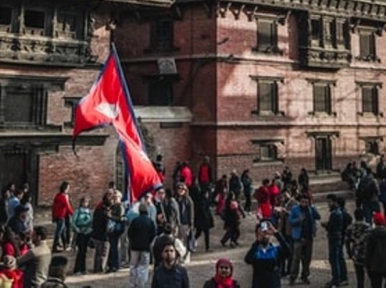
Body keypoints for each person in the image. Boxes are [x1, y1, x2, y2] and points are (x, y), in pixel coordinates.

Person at [244, 221, 290, 288]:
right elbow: (248, 260)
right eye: (261, 233)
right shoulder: (255, 250)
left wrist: (277, 234)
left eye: (266, 232)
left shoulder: (276, 250)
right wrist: (257, 242)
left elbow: (288, 252)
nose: (264, 235)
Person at [288, 194, 321, 286]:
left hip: (309, 237)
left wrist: (313, 208)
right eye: (303, 202)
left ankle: (305, 275)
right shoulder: (295, 209)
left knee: (307, 258)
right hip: (298, 237)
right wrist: (298, 220)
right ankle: (293, 277)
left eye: (306, 202)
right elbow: (290, 221)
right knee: (296, 259)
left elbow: (318, 217)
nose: (304, 204)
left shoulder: (310, 209)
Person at [128, 203, 156, 288]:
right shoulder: (150, 221)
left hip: (134, 247)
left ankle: (133, 283)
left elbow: (130, 233)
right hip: (145, 247)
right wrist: (148, 241)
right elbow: (153, 234)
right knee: (143, 266)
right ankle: (141, 284)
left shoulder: (135, 221)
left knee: (133, 265)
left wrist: (132, 241)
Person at [321, 194, 347, 288]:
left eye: (329, 202)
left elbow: (331, 226)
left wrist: (326, 225)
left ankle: (336, 278)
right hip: (337, 237)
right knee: (338, 257)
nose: (328, 204)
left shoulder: (335, 213)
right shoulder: (338, 212)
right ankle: (341, 277)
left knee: (334, 258)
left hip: (334, 237)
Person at [345, 209, 371, 288]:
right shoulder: (368, 227)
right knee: (372, 275)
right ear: (363, 216)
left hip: (356, 253)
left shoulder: (350, 227)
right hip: (367, 253)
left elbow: (347, 241)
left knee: (360, 276)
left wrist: (349, 252)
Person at [91, 192, 112, 273]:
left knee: (97, 253)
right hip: (104, 235)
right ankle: (101, 268)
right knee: (103, 253)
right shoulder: (106, 212)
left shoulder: (98, 209)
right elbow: (107, 225)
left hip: (96, 234)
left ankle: (96, 268)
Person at [71, 197, 93, 275]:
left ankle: (83, 268)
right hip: (80, 232)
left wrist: (90, 229)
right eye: (84, 202)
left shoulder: (90, 212)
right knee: (80, 251)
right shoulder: (77, 211)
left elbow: (92, 222)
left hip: (87, 233)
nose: (85, 204)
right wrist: (77, 229)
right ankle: (77, 269)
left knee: (85, 252)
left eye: (87, 202)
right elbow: (73, 221)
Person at [365, 212, 386, 288]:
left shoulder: (371, 235)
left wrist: (367, 265)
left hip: (375, 265)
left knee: (376, 285)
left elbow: (369, 251)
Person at [52, 182, 74, 253]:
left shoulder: (57, 196)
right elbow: (68, 207)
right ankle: (55, 245)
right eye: (68, 188)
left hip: (58, 215)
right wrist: (73, 214)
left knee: (62, 231)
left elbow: (54, 207)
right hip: (61, 216)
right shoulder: (63, 197)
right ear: (65, 189)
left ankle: (64, 244)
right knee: (59, 231)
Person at [176, 183, 194, 263]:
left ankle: (187, 255)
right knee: (178, 240)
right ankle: (180, 255)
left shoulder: (188, 200)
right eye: (179, 189)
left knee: (186, 240)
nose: (180, 190)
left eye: (182, 189)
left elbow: (191, 212)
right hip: (178, 223)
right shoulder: (176, 199)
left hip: (185, 222)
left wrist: (191, 223)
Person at [107, 190, 125, 273]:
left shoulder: (120, 206)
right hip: (111, 229)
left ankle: (115, 265)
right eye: (113, 197)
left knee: (115, 247)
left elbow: (120, 218)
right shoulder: (112, 206)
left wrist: (111, 216)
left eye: (116, 197)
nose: (114, 199)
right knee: (112, 247)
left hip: (117, 229)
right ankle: (111, 264)